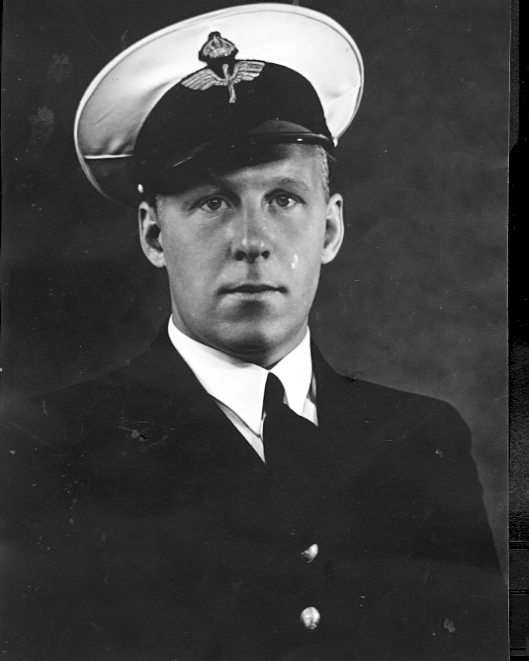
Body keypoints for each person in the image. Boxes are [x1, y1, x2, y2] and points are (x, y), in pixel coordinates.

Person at [3, 5, 507, 660]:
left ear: (329, 229)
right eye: (212, 202)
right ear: (154, 234)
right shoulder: (50, 449)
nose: (251, 242)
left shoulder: (422, 440)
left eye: (283, 199)